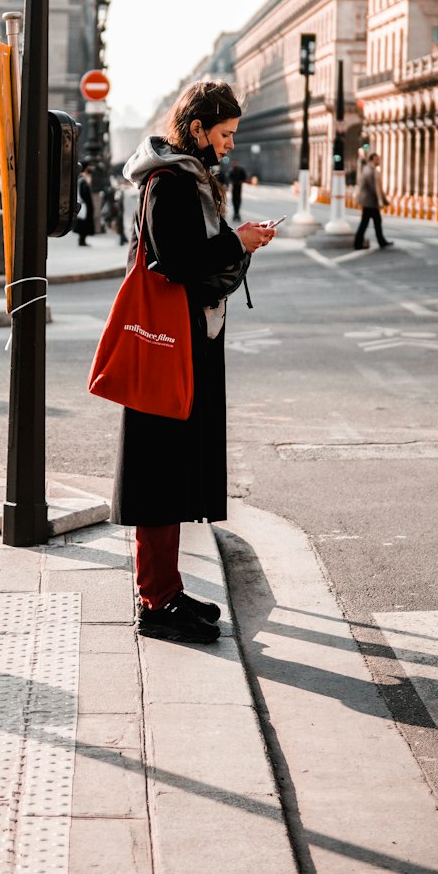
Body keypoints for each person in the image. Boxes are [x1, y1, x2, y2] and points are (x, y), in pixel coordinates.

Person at [113, 78, 275, 645]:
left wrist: (237, 240)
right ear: (199, 128)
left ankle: (168, 591)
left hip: (187, 340)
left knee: (172, 469)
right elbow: (177, 261)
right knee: (159, 472)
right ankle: (155, 603)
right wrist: (239, 242)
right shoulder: (170, 183)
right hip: (168, 345)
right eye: (226, 134)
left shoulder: (190, 179)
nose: (230, 144)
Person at [352, 152, 393, 250]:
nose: (378, 161)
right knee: (368, 222)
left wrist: (383, 200)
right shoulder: (370, 171)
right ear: (371, 160)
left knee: (372, 222)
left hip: (369, 201)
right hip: (370, 201)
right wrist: (380, 201)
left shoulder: (368, 169)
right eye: (376, 159)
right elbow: (375, 188)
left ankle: (380, 241)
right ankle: (359, 243)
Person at [75, 162, 95, 246]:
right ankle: (82, 241)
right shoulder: (83, 180)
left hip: (84, 205)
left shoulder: (81, 180)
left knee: (83, 224)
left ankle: (82, 240)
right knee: (84, 224)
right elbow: (84, 194)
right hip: (85, 205)